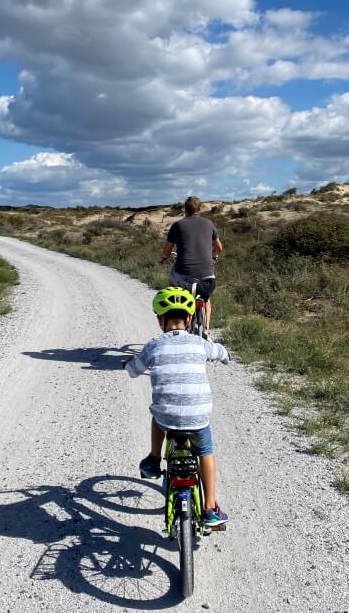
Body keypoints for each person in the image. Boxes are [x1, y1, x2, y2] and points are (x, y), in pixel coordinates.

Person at [125, 286, 230, 527]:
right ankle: (210, 508)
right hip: (198, 417)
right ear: (190, 319)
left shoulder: (153, 345)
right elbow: (220, 353)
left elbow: (133, 370)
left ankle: (153, 459)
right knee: (206, 453)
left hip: (167, 418)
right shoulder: (200, 343)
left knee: (157, 413)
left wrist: (127, 365)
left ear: (160, 320)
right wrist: (225, 355)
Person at [162, 196, 223, 335]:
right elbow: (219, 248)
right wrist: (213, 256)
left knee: (174, 290)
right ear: (200, 209)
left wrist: (164, 257)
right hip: (206, 275)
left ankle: (176, 324)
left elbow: (166, 250)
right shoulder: (209, 223)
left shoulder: (177, 225)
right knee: (206, 300)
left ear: (185, 209)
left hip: (182, 275)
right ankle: (206, 331)